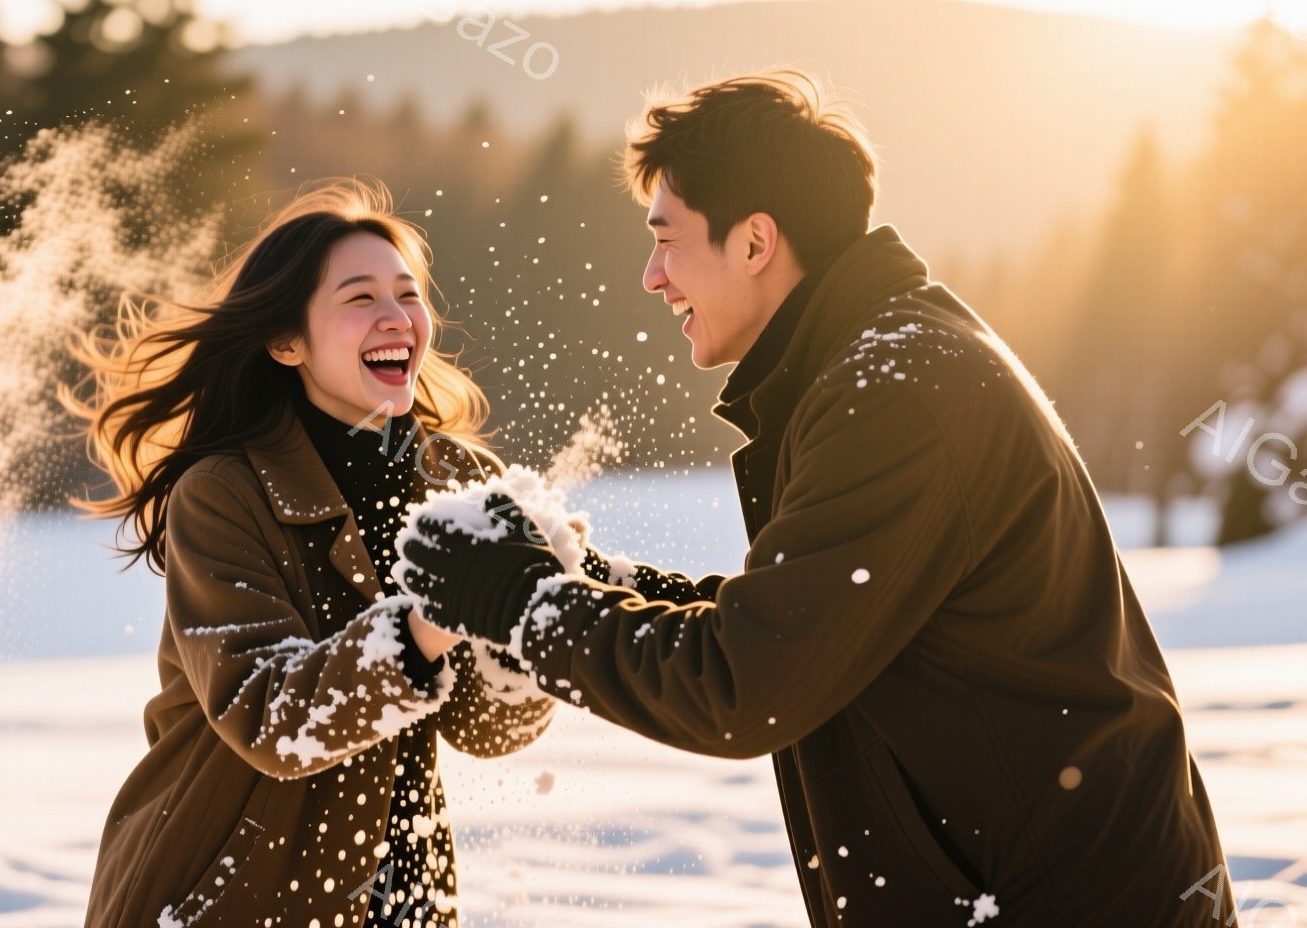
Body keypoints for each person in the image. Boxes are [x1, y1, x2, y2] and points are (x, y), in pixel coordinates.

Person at [394, 70, 1232, 926]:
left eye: (667, 240)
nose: (652, 277)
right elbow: (796, 626)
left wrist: (522, 601)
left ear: (756, 242)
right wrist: (585, 574)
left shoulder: (899, 391)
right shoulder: (879, 362)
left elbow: (742, 684)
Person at [69, 178, 554, 928]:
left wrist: (524, 623)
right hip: (225, 886)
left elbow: (485, 729)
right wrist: (433, 617)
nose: (396, 318)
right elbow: (270, 717)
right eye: (360, 298)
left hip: (406, 891)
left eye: (408, 295)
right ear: (286, 340)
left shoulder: (462, 481)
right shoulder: (224, 493)